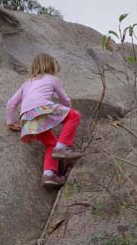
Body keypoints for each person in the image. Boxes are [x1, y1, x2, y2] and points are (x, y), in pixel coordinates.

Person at [6, 53, 82, 188]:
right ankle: (62, 148)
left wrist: (10, 122)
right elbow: (65, 100)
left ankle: (48, 175)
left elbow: (11, 103)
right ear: (51, 66)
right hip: (43, 109)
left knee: (50, 144)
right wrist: (67, 112)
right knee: (74, 116)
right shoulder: (53, 79)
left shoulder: (27, 83)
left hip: (28, 119)